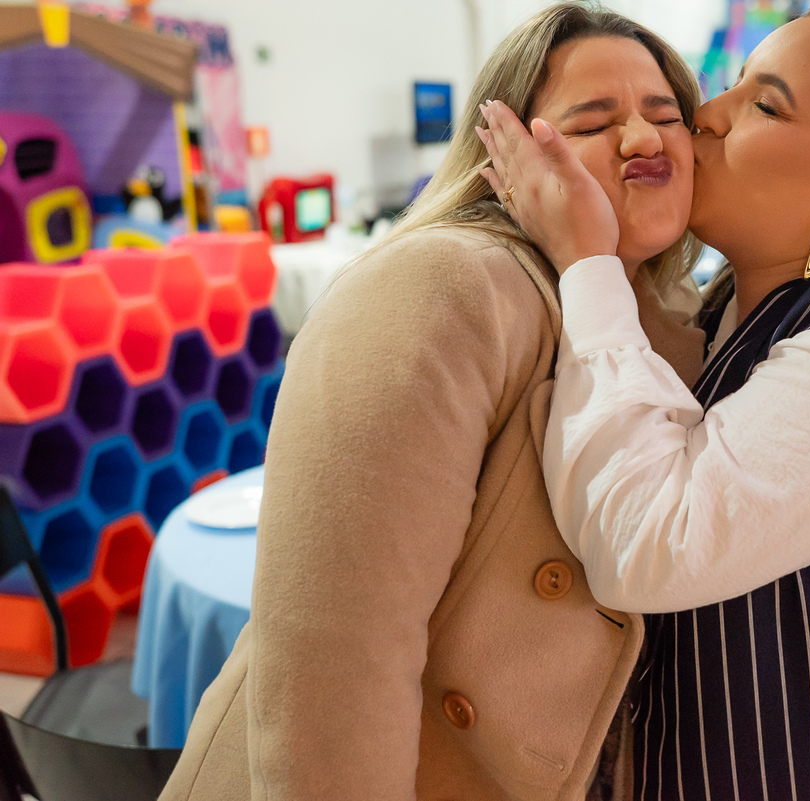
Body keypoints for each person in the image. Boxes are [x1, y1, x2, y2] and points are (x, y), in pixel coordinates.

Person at [158, 5, 705, 800]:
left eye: (666, 116)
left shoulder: (678, 317)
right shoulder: (448, 287)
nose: (644, 139)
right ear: (505, 152)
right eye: (593, 121)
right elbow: (334, 675)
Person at [478, 2, 810, 798]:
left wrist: (586, 263)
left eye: (764, 104)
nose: (706, 115)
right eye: (731, 87)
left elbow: (646, 544)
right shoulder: (732, 307)